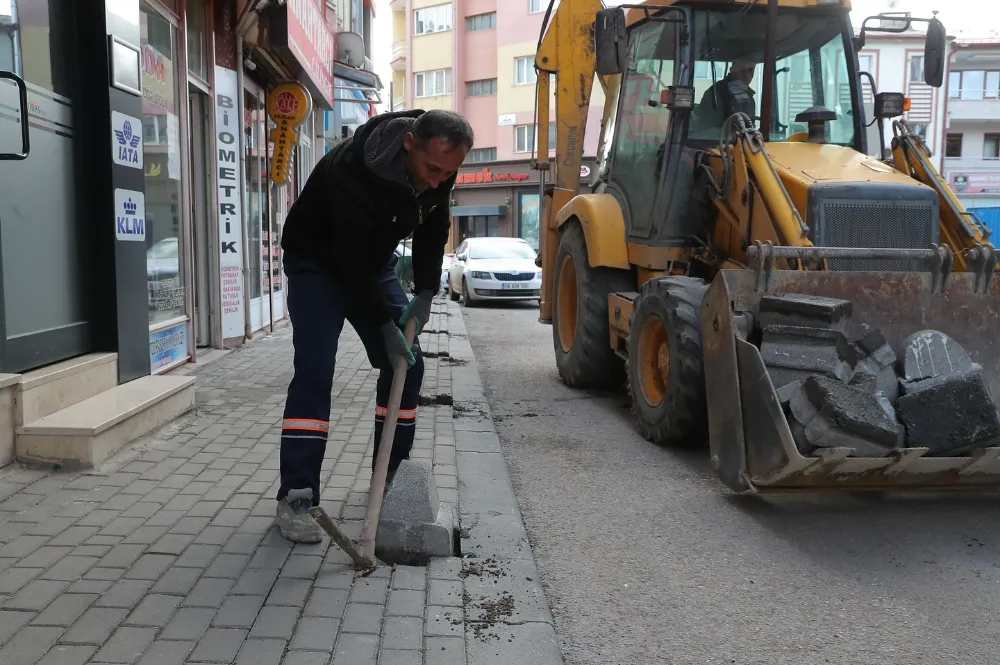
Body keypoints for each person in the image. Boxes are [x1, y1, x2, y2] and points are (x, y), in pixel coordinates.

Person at [274, 108, 474, 543]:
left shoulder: (440, 168)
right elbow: (348, 263)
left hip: (371, 262)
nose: (439, 179)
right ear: (409, 145)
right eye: (432, 168)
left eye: (449, 172)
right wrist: (383, 326)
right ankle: (297, 496)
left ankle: (391, 477)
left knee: (409, 365)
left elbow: (433, 226)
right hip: (317, 262)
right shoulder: (354, 167)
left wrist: (423, 292)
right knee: (315, 370)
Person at [696, 59, 757, 130]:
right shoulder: (715, 93)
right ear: (732, 70)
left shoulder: (748, 95)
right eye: (742, 70)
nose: (746, 75)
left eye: (750, 70)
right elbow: (706, 129)